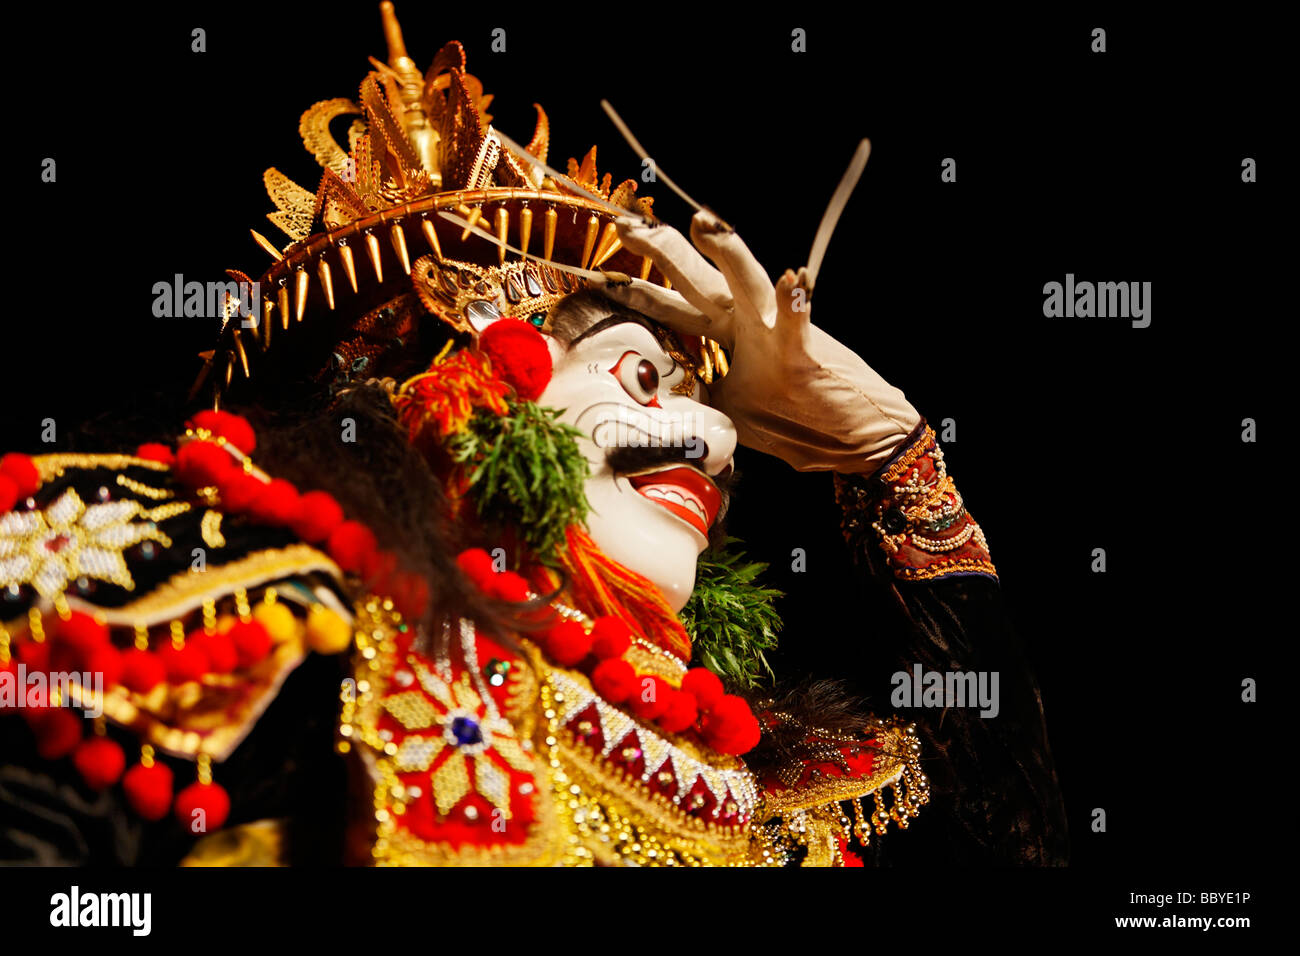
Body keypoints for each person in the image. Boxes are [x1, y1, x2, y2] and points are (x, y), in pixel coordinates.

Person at [0, 2, 1065, 866]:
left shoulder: (766, 800)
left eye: (709, 396)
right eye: (643, 375)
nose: (717, 437)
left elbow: (1019, 839)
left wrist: (889, 455)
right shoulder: (238, 603)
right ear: (460, 380)